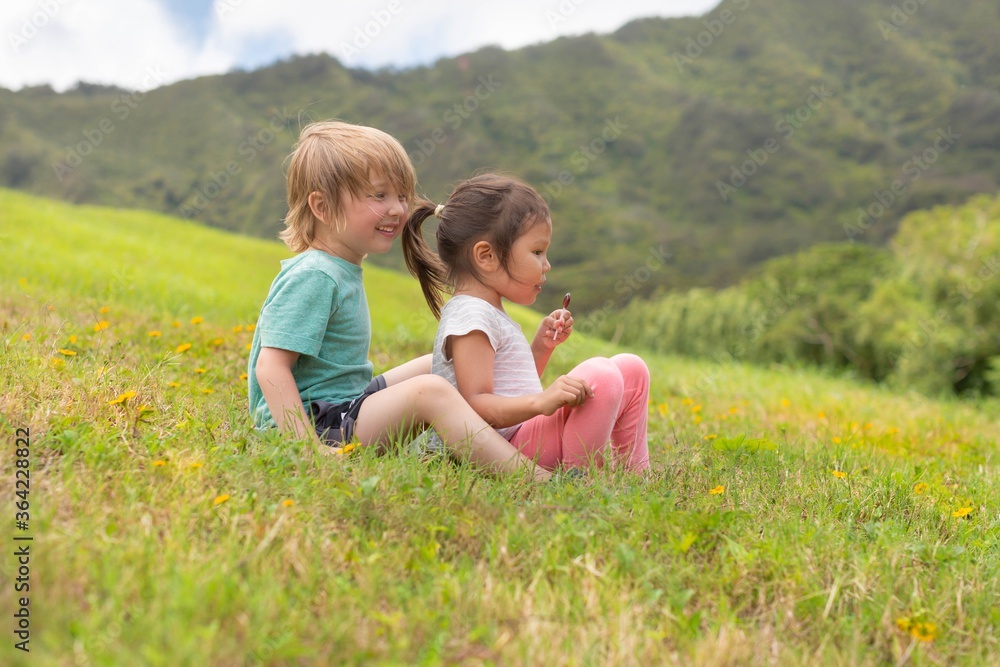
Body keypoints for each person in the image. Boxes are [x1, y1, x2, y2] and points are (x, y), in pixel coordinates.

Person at [247, 121, 551, 482]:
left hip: (344, 404)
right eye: (379, 196)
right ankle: (532, 477)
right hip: (317, 423)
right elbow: (271, 366)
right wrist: (307, 450)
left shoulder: (337, 268)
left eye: (401, 196)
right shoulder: (316, 275)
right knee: (431, 390)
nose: (397, 209)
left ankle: (483, 436)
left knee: (437, 364)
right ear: (322, 206)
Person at [401, 173, 650, 472]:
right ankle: (579, 480)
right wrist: (541, 402)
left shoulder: (489, 310)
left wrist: (541, 348)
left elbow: (511, 388)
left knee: (632, 368)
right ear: (486, 256)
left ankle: (636, 472)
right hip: (503, 449)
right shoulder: (470, 317)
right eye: (536, 252)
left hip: (522, 434)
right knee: (602, 374)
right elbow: (475, 406)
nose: (547, 265)